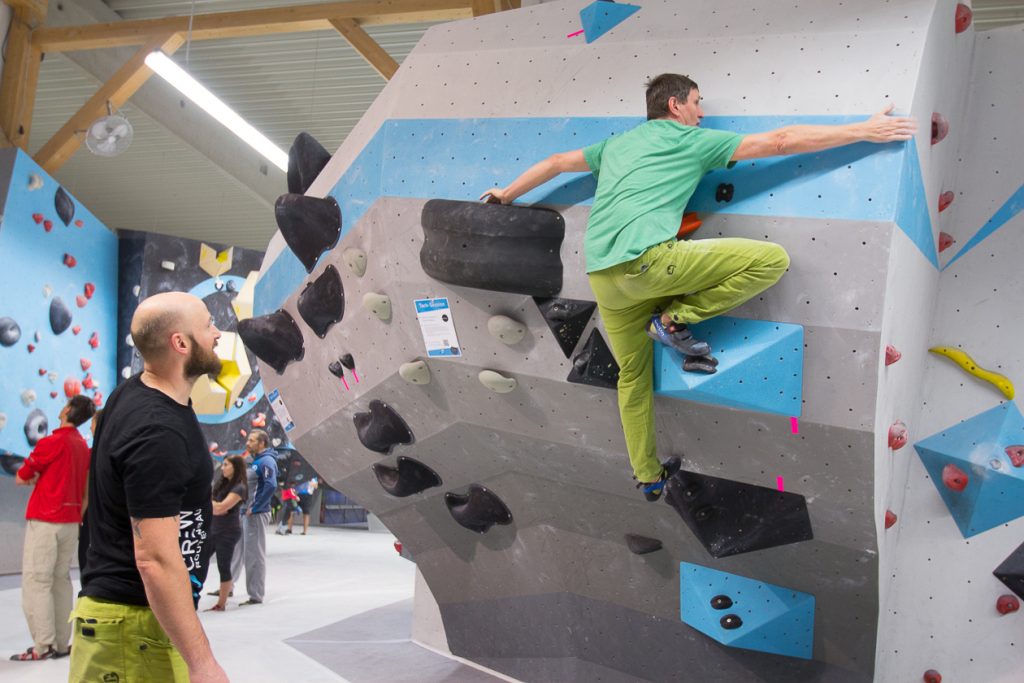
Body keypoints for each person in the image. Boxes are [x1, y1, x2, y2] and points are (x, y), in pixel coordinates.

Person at [481, 73, 916, 501]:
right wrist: (864, 130)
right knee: (771, 260)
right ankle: (673, 321)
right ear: (675, 106)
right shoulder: (688, 141)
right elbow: (782, 141)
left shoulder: (615, 145)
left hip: (605, 278)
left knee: (633, 377)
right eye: (696, 102)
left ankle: (648, 477)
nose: (701, 112)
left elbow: (556, 161)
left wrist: (506, 193)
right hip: (650, 263)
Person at [70, 291, 229, 683]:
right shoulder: (156, 431)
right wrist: (202, 663)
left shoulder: (140, 395)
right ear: (181, 343)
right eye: (208, 324)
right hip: (133, 628)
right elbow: (154, 560)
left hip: (144, 624)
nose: (218, 333)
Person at [9, 395, 95, 662]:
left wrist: (36, 478)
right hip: (70, 522)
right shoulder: (83, 447)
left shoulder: (51, 443)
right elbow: (83, 491)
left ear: (67, 410)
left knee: (37, 581)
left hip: (46, 520)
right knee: (60, 581)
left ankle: (42, 646)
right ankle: (60, 642)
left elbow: (22, 476)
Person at [240, 429, 277, 606]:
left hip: (256, 514)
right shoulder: (256, 461)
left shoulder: (266, 461)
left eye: (252, 440)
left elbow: (270, 485)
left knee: (255, 554)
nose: (247, 443)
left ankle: (255, 595)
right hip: (248, 513)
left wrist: (255, 507)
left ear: (262, 443)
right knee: (246, 552)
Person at [205, 456, 247, 612]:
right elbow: (216, 506)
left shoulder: (239, 488)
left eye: (226, 465)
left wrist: (214, 505)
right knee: (200, 561)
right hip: (214, 529)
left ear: (235, 467)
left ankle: (221, 604)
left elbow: (219, 508)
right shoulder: (221, 485)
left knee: (223, 565)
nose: (222, 468)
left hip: (228, 531)